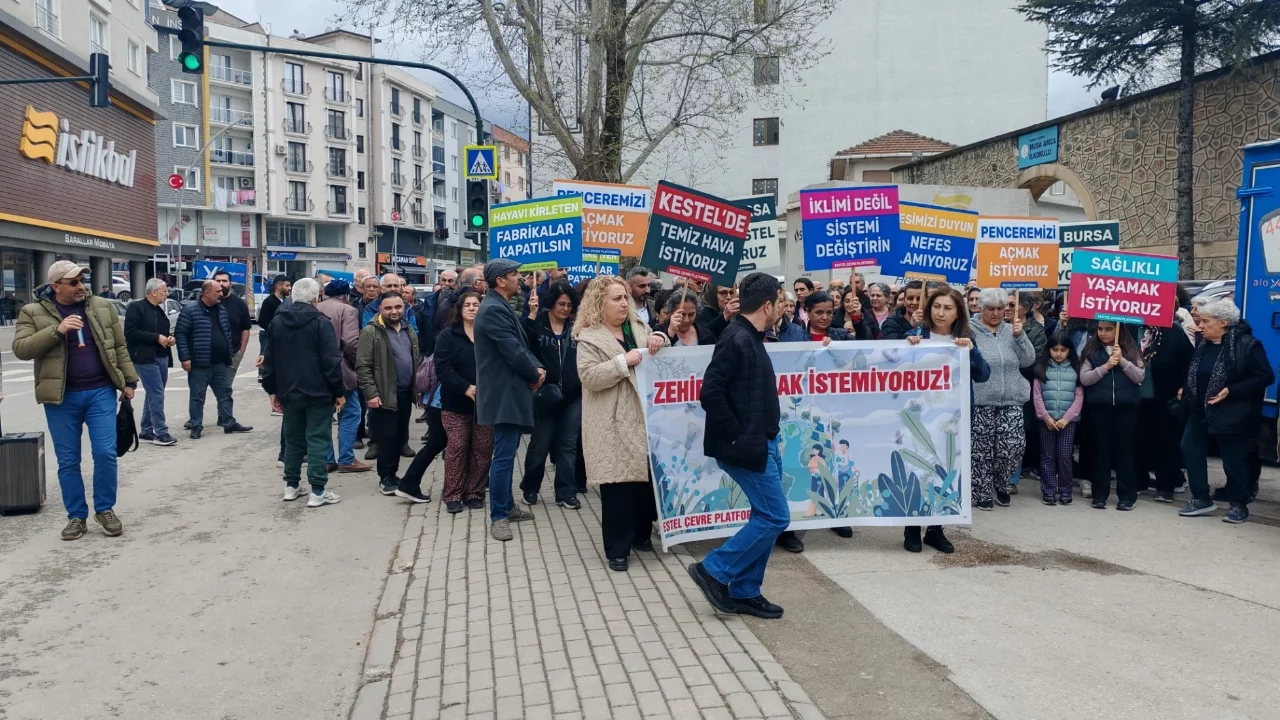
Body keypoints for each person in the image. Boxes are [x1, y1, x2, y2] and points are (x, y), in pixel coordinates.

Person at [12, 261, 138, 541]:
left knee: (105, 453)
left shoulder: (102, 307)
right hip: (61, 397)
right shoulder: (32, 311)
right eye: (73, 282)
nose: (81, 286)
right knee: (68, 460)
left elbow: (119, 346)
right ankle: (76, 516)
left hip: (100, 391)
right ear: (56, 286)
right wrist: (57, 330)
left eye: (82, 280)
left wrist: (129, 381)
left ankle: (104, 509)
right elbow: (21, 348)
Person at [687, 273, 788, 619]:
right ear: (767, 305)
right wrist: (738, 436)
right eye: (780, 301)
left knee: (765, 515)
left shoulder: (751, 336)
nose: (782, 308)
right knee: (775, 516)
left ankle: (745, 590)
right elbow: (710, 393)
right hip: (748, 447)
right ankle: (713, 570)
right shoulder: (737, 338)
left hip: (763, 442)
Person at [575, 276, 668, 569]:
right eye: (616, 298)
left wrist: (660, 337)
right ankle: (617, 549)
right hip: (611, 421)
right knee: (617, 488)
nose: (624, 303)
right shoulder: (589, 337)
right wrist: (622, 362)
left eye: (625, 297)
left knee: (643, 483)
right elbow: (589, 376)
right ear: (599, 303)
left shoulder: (638, 327)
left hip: (642, 418)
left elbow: (662, 345)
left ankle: (641, 535)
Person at [904, 287, 989, 552]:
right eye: (937, 306)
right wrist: (908, 343)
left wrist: (971, 351)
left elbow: (983, 375)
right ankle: (911, 528)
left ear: (958, 313)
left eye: (948, 308)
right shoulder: (917, 336)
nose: (941, 313)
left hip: (953, 420)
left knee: (946, 469)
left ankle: (936, 529)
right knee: (918, 468)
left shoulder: (964, 339)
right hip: (920, 418)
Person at [1178, 300, 1273, 523]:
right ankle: (1201, 498)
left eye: (1206, 321)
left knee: (1233, 459)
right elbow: (1195, 371)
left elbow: (1265, 376)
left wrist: (1232, 390)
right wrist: (1186, 387)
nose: (1200, 325)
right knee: (1189, 447)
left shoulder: (1247, 345)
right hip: (1200, 408)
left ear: (1223, 323)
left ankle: (1239, 504)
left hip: (1231, 411)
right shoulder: (1202, 342)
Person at [474, 259, 545, 541]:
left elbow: (520, 345)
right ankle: (499, 517)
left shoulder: (499, 305)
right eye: (514, 274)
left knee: (508, 452)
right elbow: (512, 351)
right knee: (503, 457)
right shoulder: (493, 308)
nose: (520, 278)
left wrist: (538, 366)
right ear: (500, 281)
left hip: (509, 392)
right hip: (503, 394)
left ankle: (507, 506)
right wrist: (534, 372)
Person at [261, 278, 345, 508]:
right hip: (318, 392)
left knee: (293, 439)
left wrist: (272, 390)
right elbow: (331, 361)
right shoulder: (320, 322)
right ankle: (318, 490)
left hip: (288, 391)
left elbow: (269, 360)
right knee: (318, 439)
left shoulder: (278, 322)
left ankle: (291, 486)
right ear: (316, 297)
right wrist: (338, 391)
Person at [519, 281, 584, 509]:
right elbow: (523, 345)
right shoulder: (538, 323)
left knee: (568, 445)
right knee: (540, 444)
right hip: (545, 396)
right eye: (561, 304)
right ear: (551, 303)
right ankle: (530, 487)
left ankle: (566, 492)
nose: (565, 309)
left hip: (573, 396)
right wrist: (531, 314)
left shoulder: (577, 327)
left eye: (569, 305)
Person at [969, 288, 1035, 510]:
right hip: (981, 400)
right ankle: (982, 492)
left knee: (1013, 447)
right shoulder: (970, 330)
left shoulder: (1011, 329)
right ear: (981, 308)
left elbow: (1028, 360)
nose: (996, 313)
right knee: (981, 451)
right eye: (991, 309)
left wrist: (1020, 336)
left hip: (1011, 400)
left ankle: (1002, 483)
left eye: (1000, 308)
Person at [432, 289, 491, 512]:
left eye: (476, 305)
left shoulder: (488, 334)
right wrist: (466, 387)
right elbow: (443, 368)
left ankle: (474, 492)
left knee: (482, 449)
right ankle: (453, 494)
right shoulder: (448, 335)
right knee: (457, 448)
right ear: (460, 309)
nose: (472, 308)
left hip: (484, 403)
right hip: (455, 403)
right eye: (467, 305)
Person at [357, 291, 420, 495]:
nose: (394, 311)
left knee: (400, 437)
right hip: (383, 395)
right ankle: (385, 478)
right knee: (387, 438)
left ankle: (393, 474)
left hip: (405, 393)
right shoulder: (371, 332)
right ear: (380, 309)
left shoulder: (408, 329)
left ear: (404, 307)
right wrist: (371, 393)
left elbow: (414, 358)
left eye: (398, 307)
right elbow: (363, 366)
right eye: (389, 308)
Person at [1079, 320, 1146, 510]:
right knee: (1102, 451)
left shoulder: (1131, 350)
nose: (1103, 333)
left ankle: (1127, 497)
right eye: (1100, 329)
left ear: (1118, 330)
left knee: (1125, 452)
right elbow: (1085, 378)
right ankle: (1100, 495)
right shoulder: (1091, 351)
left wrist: (1122, 361)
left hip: (1126, 408)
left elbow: (1139, 376)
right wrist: (1106, 367)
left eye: (1109, 329)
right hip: (1101, 408)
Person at [176, 280, 251, 439]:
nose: (221, 294)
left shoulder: (221, 310)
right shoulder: (190, 311)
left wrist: (229, 353)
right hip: (199, 363)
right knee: (197, 397)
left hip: (220, 363)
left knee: (225, 394)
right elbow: (181, 335)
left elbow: (226, 333)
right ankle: (196, 426)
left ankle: (229, 422)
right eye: (217, 291)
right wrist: (185, 357)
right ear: (206, 293)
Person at [317, 280, 371, 474]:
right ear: (346, 295)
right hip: (342, 369)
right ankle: (346, 458)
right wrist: (358, 364)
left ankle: (328, 458)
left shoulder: (317, 308)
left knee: (325, 415)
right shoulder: (348, 310)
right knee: (351, 412)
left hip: (319, 370)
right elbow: (350, 342)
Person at [1137, 318, 1194, 501]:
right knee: (1138, 440)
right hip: (1136, 396)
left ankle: (1165, 486)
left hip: (1165, 396)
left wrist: (1184, 385)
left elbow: (1190, 361)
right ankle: (1139, 480)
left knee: (1166, 442)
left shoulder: (1173, 331)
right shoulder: (1129, 327)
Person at [1031, 332, 1083, 505]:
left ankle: (1066, 490)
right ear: (1048, 350)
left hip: (1068, 422)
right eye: (1055, 349)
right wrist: (1045, 417)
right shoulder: (1041, 369)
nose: (1059, 353)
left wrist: (1067, 418)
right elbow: (1037, 396)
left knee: (1065, 455)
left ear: (1070, 350)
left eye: (1063, 350)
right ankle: (1049, 490)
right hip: (1047, 421)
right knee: (1047, 456)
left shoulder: (1076, 370)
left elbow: (1079, 397)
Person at [124, 278, 178, 446]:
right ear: (154, 292)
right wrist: (156, 337)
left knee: (154, 393)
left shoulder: (159, 310)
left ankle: (146, 429)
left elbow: (163, 331)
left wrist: (169, 338)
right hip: (145, 357)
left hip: (162, 355)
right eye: (164, 291)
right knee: (156, 394)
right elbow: (130, 332)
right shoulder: (136, 307)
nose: (167, 294)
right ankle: (161, 432)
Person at [213, 270, 252, 379]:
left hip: (232, 354)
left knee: (225, 386)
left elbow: (245, 328)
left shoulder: (239, 304)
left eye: (224, 281)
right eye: (218, 281)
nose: (221, 283)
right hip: (208, 355)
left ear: (230, 283)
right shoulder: (207, 303)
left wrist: (241, 352)